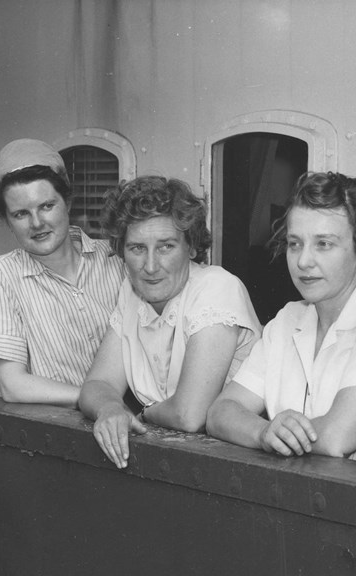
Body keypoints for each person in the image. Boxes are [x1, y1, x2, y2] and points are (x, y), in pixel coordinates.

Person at [207, 172, 356, 460]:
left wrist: (275, 435)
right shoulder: (288, 319)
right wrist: (263, 433)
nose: (303, 261)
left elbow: (338, 436)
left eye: (323, 244)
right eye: (295, 243)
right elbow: (221, 412)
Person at [78, 176, 261, 469]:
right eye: (137, 248)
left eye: (165, 247)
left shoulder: (217, 288)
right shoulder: (131, 292)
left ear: (190, 247)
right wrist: (110, 408)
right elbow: (97, 384)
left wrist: (144, 414)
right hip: (177, 459)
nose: (150, 267)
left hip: (238, 463)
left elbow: (189, 415)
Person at [0, 139, 125, 408]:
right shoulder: (3, 274)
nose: (37, 223)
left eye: (47, 206)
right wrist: (101, 403)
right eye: (21, 214)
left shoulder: (115, 257)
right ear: (6, 221)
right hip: (66, 426)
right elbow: (13, 386)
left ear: (67, 203)